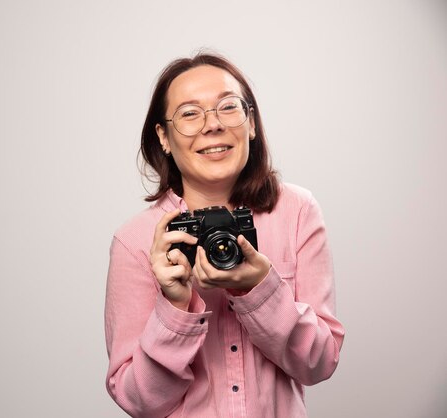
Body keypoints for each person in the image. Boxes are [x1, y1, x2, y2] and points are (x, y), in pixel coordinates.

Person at [104, 52, 345, 418]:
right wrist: (174, 306)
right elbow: (139, 402)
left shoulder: (296, 212)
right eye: (189, 113)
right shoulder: (137, 241)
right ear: (164, 137)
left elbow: (319, 362)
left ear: (250, 123)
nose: (212, 125)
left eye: (227, 108)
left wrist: (259, 288)